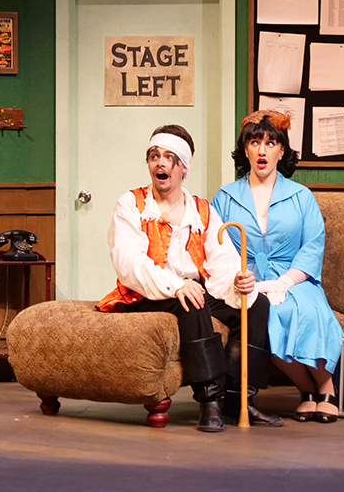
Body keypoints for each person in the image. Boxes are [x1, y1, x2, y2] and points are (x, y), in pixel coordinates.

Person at [96, 125, 282, 432]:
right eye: (154, 156)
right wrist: (176, 285)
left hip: (193, 288)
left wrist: (238, 281)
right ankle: (210, 400)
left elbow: (221, 261)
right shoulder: (132, 204)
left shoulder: (202, 210)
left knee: (256, 305)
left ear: (183, 167)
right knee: (192, 300)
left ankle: (237, 400)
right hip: (148, 292)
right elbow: (128, 262)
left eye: (169, 158)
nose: (160, 163)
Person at [212, 111, 344, 423]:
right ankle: (306, 390)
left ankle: (326, 388)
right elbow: (214, 249)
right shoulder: (225, 197)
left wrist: (284, 283)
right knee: (264, 319)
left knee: (308, 312)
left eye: (270, 143)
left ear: (281, 151)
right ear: (245, 149)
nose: (262, 150)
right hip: (244, 282)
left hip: (295, 279)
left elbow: (312, 246)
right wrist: (240, 279)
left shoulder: (301, 197)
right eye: (255, 142)